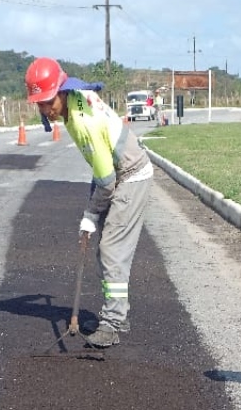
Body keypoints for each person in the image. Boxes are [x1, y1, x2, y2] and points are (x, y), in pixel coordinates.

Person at [24, 57, 153, 349]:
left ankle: (113, 323)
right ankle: (118, 313)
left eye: (48, 102)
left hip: (131, 175)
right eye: (40, 104)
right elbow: (102, 169)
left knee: (111, 250)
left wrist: (90, 214)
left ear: (61, 90)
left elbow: (107, 181)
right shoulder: (74, 98)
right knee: (107, 250)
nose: (45, 109)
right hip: (115, 170)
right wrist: (91, 212)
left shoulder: (83, 122)